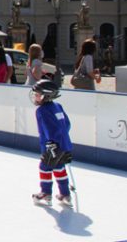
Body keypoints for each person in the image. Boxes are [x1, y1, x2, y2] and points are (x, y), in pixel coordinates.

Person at [30, 80, 74, 208]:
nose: (35, 97)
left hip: (52, 146)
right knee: (59, 167)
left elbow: (48, 128)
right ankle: (65, 194)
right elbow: (67, 124)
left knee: (44, 167)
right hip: (64, 144)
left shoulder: (41, 111)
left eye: (37, 94)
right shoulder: (58, 106)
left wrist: (51, 144)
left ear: (46, 95)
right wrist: (62, 138)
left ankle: (45, 193)